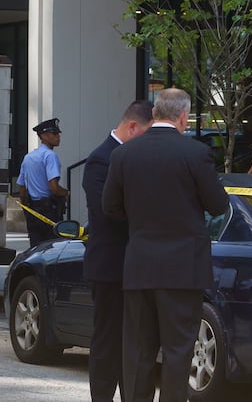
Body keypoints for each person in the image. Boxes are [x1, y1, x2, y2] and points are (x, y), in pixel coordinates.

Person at [102, 88, 229, 402]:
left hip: (140, 264)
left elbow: (110, 207)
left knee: (137, 351)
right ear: (184, 116)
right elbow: (218, 205)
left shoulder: (123, 154)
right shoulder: (195, 153)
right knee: (177, 350)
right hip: (183, 269)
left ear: (155, 112)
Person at [82, 100, 153, 402]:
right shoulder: (101, 160)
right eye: (147, 134)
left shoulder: (138, 158)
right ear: (132, 127)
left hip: (136, 265)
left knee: (134, 343)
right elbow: (107, 212)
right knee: (109, 341)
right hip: (111, 265)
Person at [16, 118, 69, 247]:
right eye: (54, 133)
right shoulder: (50, 156)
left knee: (35, 249)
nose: (58, 136)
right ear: (44, 136)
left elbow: (22, 188)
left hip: (33, 210)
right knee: (51, 250)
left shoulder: (28, 157)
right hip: (49, 210)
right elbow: (54, 188)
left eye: (58, 133)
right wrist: (66, 193)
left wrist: (26, 208)